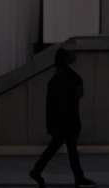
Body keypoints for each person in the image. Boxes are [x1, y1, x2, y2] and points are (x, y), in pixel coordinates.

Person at [30, 46, 90, 187]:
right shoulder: (71, 78)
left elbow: (50, 105)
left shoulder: (56, 80)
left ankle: (37, 170)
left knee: (57, 148)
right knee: (68, 149)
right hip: (68, 121)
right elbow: (76, 96)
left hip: (61, 122)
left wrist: (50, 124)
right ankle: (77, 177)